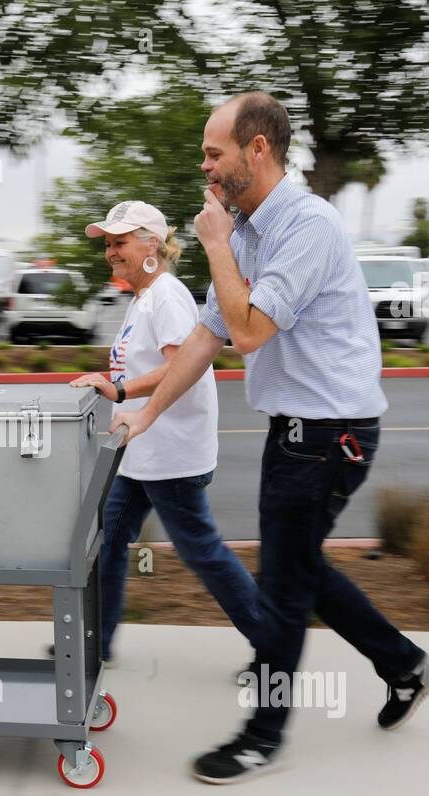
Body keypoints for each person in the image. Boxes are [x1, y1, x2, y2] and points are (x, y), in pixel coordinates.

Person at [111, 92, 429, 784]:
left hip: (332, 436)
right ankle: (405, 664)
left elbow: (251, 331)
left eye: (214, 152)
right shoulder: (246, 233)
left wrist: (212, 244)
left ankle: (261, 737)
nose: (204, 165)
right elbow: (205, 337)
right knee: (301, 570)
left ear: (256, 150)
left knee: (285, 588)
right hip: (294, 433)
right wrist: (144, 415)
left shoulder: (305, 226)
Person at [61, 199, 259, 668]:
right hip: (140, 452)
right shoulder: (144, 297)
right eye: (108, 243)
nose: (111, 251)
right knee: (107, 541)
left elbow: (181, 366)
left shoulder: (166, 295)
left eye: (120, 241)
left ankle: (274, 644)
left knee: (202, 552)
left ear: (152, 243)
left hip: (171, 455)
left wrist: (119, 387)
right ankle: (97, 643)